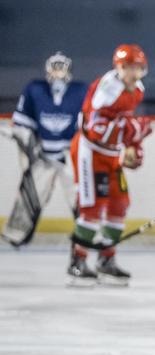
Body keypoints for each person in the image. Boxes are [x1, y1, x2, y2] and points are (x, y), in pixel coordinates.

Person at [67, 44, 151, 286]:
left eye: (137, 68)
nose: (133, 73)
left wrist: (134, 146)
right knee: (92, 208)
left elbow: (125, 124)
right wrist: (132, 130)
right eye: (128, 68)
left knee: (119, 204)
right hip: (90, 152)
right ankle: (78, 262)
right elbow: (97, 129)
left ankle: (106, 260)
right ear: (118, 67)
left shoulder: (137, 90)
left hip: (112, 154)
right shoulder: (107, 90)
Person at [2, 52, 87, 247]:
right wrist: (27, 142)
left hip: (69, 156)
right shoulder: (35, 89)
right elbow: (22, 124)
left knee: (82, 198)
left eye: (61, 68)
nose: (58, 73)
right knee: (29, 195)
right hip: (42, 155)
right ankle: (15, 234)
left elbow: (88, 125)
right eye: (54, 68)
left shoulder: (81, 91)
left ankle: (87, 236)